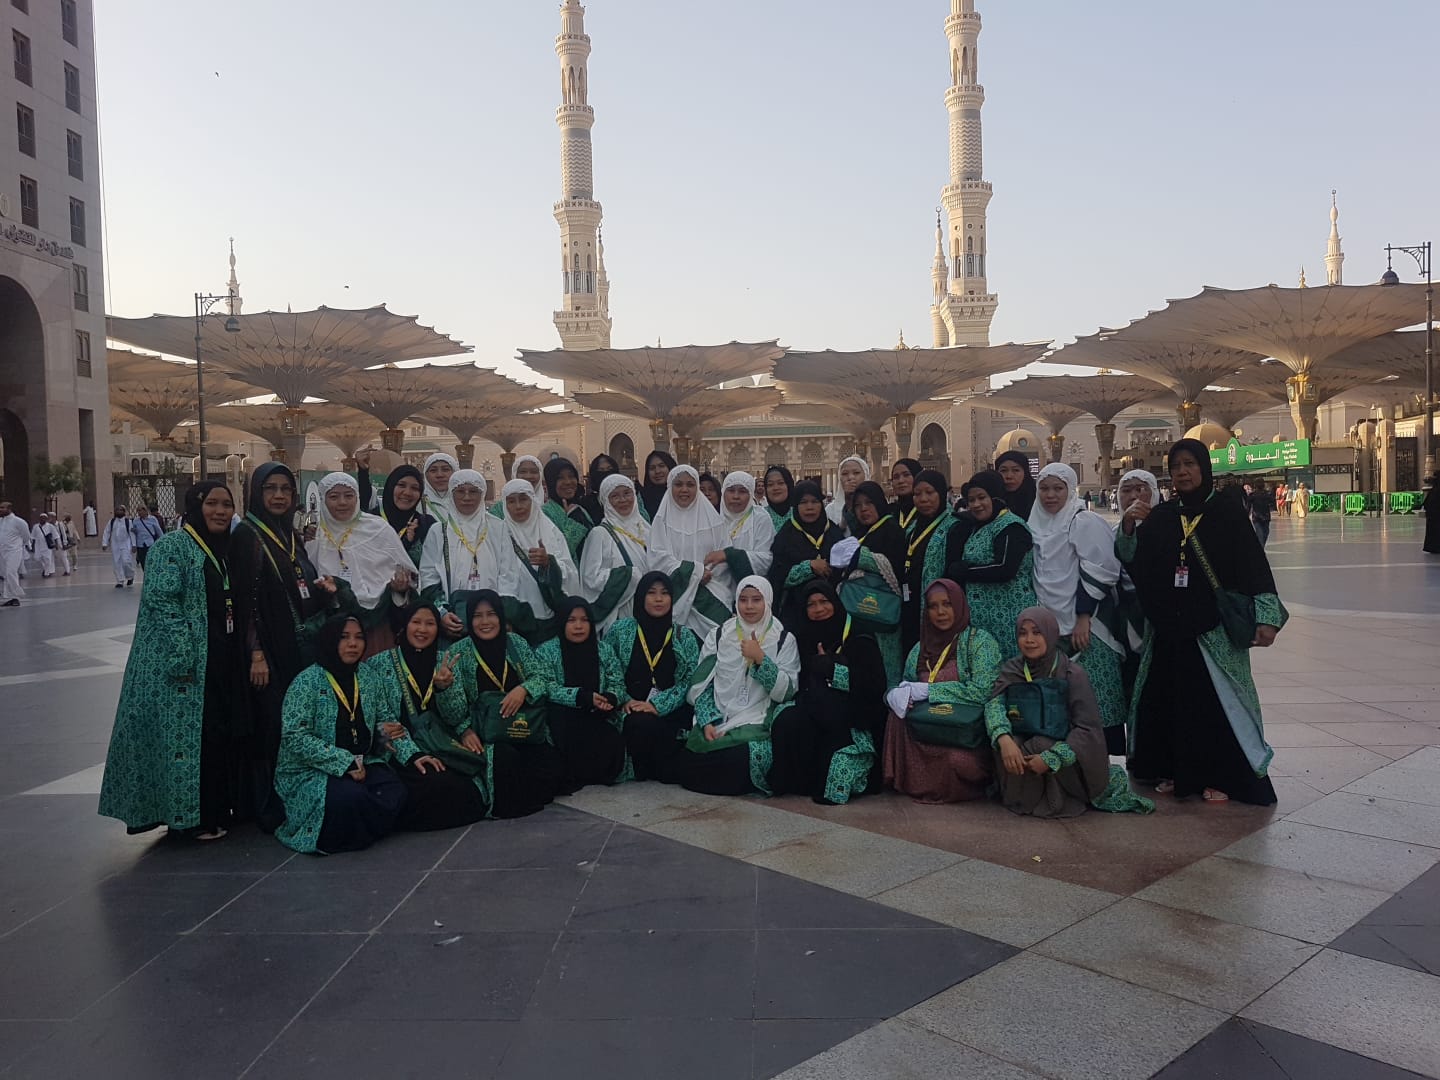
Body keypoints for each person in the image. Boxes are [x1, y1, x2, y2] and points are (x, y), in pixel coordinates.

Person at [1120, 439, 1286, 805]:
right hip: (1169, 628)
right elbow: (1135, 562)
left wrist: (1267, 618)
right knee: (1171, 700)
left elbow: (1253, 565)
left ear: (1204, 468)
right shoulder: (1163, 516)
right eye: (1176, 466)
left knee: (1215, 704)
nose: (1182, 472)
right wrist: (1129, 527)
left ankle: (1221, 775)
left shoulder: (1226, 512)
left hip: (1213, 629)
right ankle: (1175, 771)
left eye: (1190, 464)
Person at [99, 482, 249, 840]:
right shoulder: (172, 547)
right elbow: (164, 603)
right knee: (188, 741)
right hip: (182, 669)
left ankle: (216, 809)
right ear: (195, 507)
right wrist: (184, 655)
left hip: (219, 659)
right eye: (211, 503)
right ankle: (190, 818)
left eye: (227, 504)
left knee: (214, 736)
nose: (220, 511)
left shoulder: (227, 548)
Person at [229, 462, 350, 831]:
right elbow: (245, 600)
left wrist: (323, 592)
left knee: (295, 722)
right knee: (271, 725)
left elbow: (297, 589)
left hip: (296, 647)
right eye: (270, 489)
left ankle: (295, 796)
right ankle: (268, 806)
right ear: (256, 493)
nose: (279, 496)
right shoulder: (248, 535)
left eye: (285, 489)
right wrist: (256, 653)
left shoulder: (290, 534)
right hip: (269, 651)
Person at [273, 615, 450, 854]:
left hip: (363, 763)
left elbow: (387, 722)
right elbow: (295, 737)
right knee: (349, 798)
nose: (353, 644)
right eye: (344, 637)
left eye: (358, 637)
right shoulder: (306, 682)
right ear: (329, 641)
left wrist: (413, 755)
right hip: (312, 770)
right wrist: (344, 762)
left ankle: (360, 827)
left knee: (396, 790)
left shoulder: (367, 677)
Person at [989, 607, 1154, 817]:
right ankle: (1021, 798)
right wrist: (1004, 739)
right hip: (1024, 739)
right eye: (1023, 633)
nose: (1029, 640)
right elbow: (994, 704)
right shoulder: (1012, 670)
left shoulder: (1071, 674)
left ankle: (1054, 799)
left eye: (1037, 632)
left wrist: (1052, 758)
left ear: (1051, 634)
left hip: (1066, 754)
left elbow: (1087, 730)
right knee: (1008, 742)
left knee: (1040, 744)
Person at [435, 590, 563, 818]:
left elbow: (542, 677)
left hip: (523, 725)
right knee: (505, 762)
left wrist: (523, 689)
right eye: (477, 616)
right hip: (487, 734)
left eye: (491, 614)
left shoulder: (515, 643)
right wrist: (464, 728)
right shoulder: (458, 652)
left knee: (548, 770)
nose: (485, 622)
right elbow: (452, 712)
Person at [1029, 462, 1128, 754]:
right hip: (1051, 629)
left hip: (1090, 626)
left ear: (1070, 489)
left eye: (1057, 489)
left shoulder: (1083, 521)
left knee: (1096, 698)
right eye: (1044, 489)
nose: (1050, 495)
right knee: (1063, 702)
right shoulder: (1034, 523)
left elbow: (1102, 569)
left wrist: (1083, 616)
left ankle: (1103, 766)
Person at [671, 576, 800, 796]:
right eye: (743, 600)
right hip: (720, 717)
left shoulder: (783, 639)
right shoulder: (719, 635)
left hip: (755, 718)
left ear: (768, 601)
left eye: (756, 600)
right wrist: (708, 721)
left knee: (739, 757)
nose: (749, 606)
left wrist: (761, 659)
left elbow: (787, 692)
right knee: (689, 760)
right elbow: (701, 685)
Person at [366, 603, 489, 829]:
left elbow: (456, 716)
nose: (422, 629)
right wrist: (404, 749)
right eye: (416, 622)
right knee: (431, 785)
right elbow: (380, 718)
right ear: (405, 626)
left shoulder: (445, 660)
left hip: (441, 743)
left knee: (466, 791)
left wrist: (445, 689)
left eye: (430, 623)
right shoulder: (379, 664)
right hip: (401, 749)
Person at [882, 579, 1002, 803]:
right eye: (933, 606)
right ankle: (908, 780)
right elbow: (905, 685)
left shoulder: (979, 642)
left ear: (959, 604)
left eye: (947, 604)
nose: (940, 612)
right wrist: (893, 695)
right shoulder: (920, 648)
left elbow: (983, 692)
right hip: (926, 733)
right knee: (896, 711)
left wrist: (930, 691)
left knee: (955, 761)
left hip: (961, 736)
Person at [767, 580, 888, 803]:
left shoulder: (860, 637)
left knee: (832, 767)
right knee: (787, 720)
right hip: (814, 708)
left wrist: (832, 669)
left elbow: (873, 686)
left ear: (835, 602)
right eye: (811, 604)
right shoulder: (803, 637)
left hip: (852, 716)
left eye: (824, 601)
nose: (819, 609)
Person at [602, 571, 700, 780]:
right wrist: (625, 700)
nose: (658, 599)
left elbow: (690, 680)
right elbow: (607, 670)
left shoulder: (684, 636)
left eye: (665, 593)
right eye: (652, 593)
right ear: (640, 597)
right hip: (631, 709)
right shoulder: (620, 630)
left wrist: (657, 705)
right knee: (640, 724)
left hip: (671, 709)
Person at [306, 472, 417, 655]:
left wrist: (400, 587)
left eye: (349, 496)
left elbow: (409, 574)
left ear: (357, 497)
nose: (342, 502)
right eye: (334, 497)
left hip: (379, 625)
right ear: (323, 500)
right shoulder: (315, 536)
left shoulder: (378, 528)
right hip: (335, 628)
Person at [930, 470, 1036, 658]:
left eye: (981, 498)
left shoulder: (1011, 527)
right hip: (983, 621)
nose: (976, 505)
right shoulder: (981, 526)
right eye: (971, 500)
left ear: (995, 497)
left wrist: (965, 570)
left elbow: (1005, 569)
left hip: (1009, 618)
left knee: (1010, 667)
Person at [534, 597, 627, 792]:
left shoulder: (604, 650)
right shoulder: (546, 651)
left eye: (584, 620)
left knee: (610, 738)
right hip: (564, 717)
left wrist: (609, 698)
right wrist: (581, 697)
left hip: (599, 714)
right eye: (571, 620)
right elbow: (546, 686)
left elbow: (618, 683)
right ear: (562, 622)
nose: (578, 626)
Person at [648, 465, 733, 637]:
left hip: (710, 599)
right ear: (670, 487)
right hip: (674, 598)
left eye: (690, 484)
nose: (684, 490)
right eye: (678, 484)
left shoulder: (715, 522)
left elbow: (723, 557)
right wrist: (696, 573)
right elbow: (657, 559)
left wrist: (706, 577)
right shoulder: (660, 521)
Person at [495, 477, 579, 644]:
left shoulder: (551, 531)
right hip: (515, 621)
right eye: (511, 501)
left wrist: (549, 563)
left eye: (523, 499)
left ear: (533, 500)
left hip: (550, 620)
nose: (518, 506)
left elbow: (571, 573)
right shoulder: (498, 534)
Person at [418, 469, 499, 637]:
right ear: (451, 494)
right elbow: (428, 575)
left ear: (482, 494)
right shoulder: (438, 531)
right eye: (460, 491)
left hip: (493, 616)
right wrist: (441, 612)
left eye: (473, 491)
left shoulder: (498, 528)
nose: (467, 497)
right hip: (453, 617)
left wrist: (503, 613)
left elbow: (509, 573)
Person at [580, 473, 653, 633]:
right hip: (620, 614)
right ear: (606, 501)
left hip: (650, 608)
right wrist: (628, 576)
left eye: (627, 493)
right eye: (615, 496)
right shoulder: (600, 534)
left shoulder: (647, 530)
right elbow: (590, 578)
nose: (623, 500)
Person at [767, 479, 844, 621]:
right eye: (803, 502)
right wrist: (809, 568)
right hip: (796, 613)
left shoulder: (834, 533)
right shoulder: (785, 536)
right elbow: (777, 577)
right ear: (795, 505)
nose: (810, 507)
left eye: (815, 501)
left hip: (833, 610)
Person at [704, 471, 777, 611]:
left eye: (742, 491)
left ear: (750, 494)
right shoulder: (712, 518)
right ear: (723, 493)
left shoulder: (760, 518)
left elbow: (766, 559)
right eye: (731, 491)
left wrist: (729, 555)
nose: (736, 496)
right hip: (714, 591)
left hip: (750, 596)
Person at [900, 469, 951, 657]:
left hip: (939, 607)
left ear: (941, 493)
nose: (923, 499)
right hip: (910, 604)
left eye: (929, 493)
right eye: (917, 494)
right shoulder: (912, 528)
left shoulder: (954, 526)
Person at [359, 458, 437, 569]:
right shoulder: (370, 522)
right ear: (391, 486)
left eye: (415, 488)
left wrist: (413, 541)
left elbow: (435, 567)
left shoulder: (426, 525)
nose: (407, 493)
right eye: (401, 485)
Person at [542, 456, 596, 559]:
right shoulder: (545, 513)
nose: (568, 482)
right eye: (560, 478)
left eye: (571, 476)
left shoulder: (579, 509)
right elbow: (558, 553)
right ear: (551, 482)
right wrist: (573, 521)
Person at [827, 454, 870, 534]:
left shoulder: (875, 506)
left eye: (856, 473)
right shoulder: (830, 510)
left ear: (865, 475)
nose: (850, 477)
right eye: (845, 474)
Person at [0, 501, 31, 606]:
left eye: (2, 508)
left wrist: (19, 546)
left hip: (14, 551)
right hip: (2, 551)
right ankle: (10, 597)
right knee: (5, 574)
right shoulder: (1, 521)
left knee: (11, 572)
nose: (0, 509)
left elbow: (26, 536)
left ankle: (17, 595)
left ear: (9, 509)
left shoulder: (19, 522)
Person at [578, 453, 621, 525]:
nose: (606, 473)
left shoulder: (626, 498)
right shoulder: (587, 503)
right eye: (601, 470)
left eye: (609, 469)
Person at [994, 451, 1038, 520]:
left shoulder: (1038, 501)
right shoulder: (990, 501)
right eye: (1003, 470)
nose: (1009, 476)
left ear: (1025, 473)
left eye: (1016, 470)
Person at [421, 452, 459, 528]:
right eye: (433, 470)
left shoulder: (465, 501)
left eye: (445, 470)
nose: (439, 475)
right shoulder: (419, 503)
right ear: (426, 475)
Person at [101, 506, 136, 587]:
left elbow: (132, 534)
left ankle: (130, 576)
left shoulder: (128, 522)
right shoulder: (111, 521)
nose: (119, 511)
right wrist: (104, 543)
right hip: (115, 545)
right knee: (116, 562)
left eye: (121, 510)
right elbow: (107, 532)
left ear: (124, 512)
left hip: (126, 544)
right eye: (117, 510)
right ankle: (120, 580)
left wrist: (134, 545)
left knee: (126, 561)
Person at [639, 449, 676, 519]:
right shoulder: (641, 500)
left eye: (661, 466)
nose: (657, 471)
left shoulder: (680, 494)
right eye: (652, 468)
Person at [890, 457, 924, 532]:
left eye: (906, 475)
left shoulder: (927, 510)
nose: (901, 481)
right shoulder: (889, 513)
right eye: (896, 477)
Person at [762, 464, 796, 529]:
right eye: (770, 484)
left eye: (780, 483)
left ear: (789, 486)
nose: (775, 488)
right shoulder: (759, 516)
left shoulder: (799, 514)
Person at [131, 505, 164, 570]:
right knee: (143, 563)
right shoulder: (136, 521)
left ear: (145, 511)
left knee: (151, 561)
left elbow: (159, 531)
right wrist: (133, 544)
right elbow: (133, 533)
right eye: (138, 511)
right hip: (140, 545)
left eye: (140, 510)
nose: (139, 512)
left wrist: (162, 541)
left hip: (150, 544)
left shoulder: (152, 519)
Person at [30, 513, 57, 578]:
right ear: (39, 519)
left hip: (47, 546)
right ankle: (46, 569)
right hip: (38, 546)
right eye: (41, 518)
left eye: (44, 518)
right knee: (38, 558)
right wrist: (32, 546)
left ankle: (47, 573)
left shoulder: (50, 526)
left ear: (46, 519)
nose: (43, 519)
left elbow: (55, 535)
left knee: (47, 559)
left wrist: (56, 544)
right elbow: (33, 537)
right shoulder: (36, 526)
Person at [1249, 478, 1275, 547]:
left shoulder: (1267, 493)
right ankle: (1261, 549)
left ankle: (1260, 547)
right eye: (1258, 483)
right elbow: (1248, 505)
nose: (1260, 484)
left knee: (1266, 533)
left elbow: (1272, 502)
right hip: (1256, 518)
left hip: (1266, 517)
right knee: (1260, 534)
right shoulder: (1252, 495)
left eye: (1261, 483)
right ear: (1255, 485)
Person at [1424, 475, 1439, 555]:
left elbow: (1426, 504)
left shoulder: (1433, 491)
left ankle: (1432, 547)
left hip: (1432, 516)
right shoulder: (1436, 491)